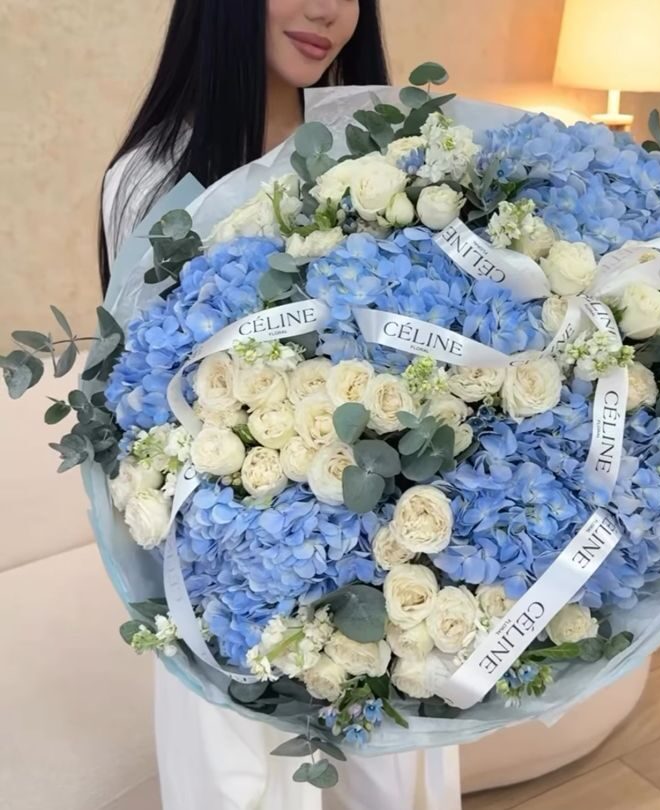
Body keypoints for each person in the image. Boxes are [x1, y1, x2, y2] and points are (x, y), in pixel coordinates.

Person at [99, 2, 461, 809]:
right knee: (240, 785)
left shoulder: (375, 150)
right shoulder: (151, 179)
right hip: (229, 567)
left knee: (392, 781)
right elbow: (139, 404)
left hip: (386, 557)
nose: (326, 10)